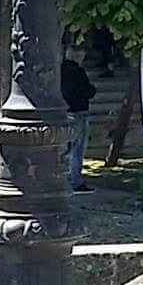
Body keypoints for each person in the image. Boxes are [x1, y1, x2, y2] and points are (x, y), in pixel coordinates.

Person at [61, 50, 96, 192]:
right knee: (77, 148)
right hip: (78, 112)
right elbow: (87, 91)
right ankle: (76, 181)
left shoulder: (60, 70)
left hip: (63, 112)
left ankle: (61, 178)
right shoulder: (78, 71)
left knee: (64, 147)